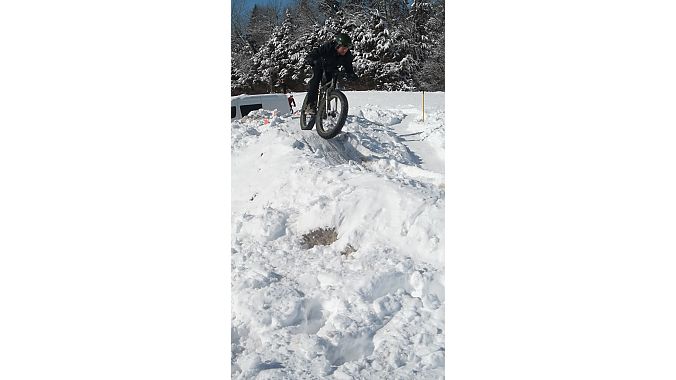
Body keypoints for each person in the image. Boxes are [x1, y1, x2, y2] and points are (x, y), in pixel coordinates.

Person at [303, 33, 359, 115]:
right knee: (315, 81)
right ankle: (310, 105)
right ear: (337, 46)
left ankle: (325, 106)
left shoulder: (347, 55)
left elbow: (348, 66)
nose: (345, 50)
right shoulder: (328, 47)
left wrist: (350, 74)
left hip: (331, 68)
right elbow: (316, 52)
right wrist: (311, 59)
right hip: (319, 65)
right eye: (343, 48)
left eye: (347, 48)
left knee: (329, 87)